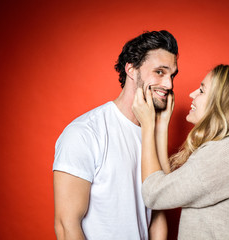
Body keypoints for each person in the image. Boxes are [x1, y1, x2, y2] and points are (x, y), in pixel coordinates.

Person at [53, 30, 178, 239]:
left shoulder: (150, 135)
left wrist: (161, 128)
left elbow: (158, 215)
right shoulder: (85, 132)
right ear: (131, 69)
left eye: (172, 75)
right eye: (160, 72)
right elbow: (67, 226)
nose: (169, 84)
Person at [132, 64, 229, 239]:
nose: (192, 94)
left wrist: (147, 125)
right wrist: (161, 127)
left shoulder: (227, 153)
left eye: (201, 90)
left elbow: (154, 194)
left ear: (223, 102)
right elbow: (168, 189)